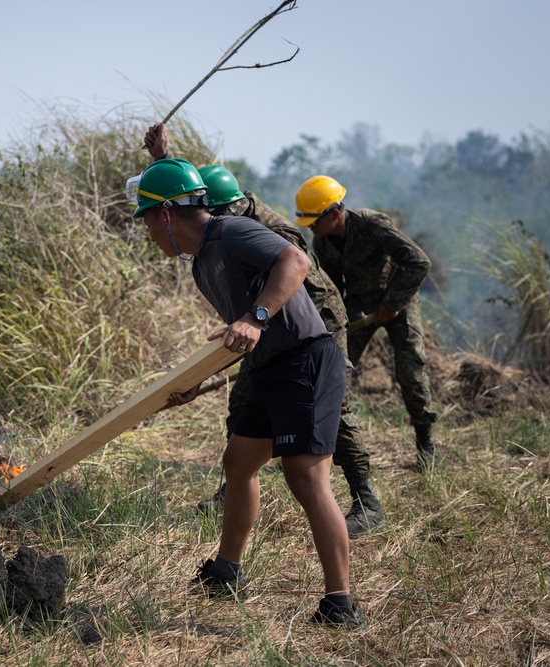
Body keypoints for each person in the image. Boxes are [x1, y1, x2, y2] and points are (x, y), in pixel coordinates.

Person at [129, 157, 366, 627]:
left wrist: (256, 317)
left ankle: (341, 603)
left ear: (166, 214)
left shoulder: (231, 231)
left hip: (306, 359)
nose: (149, 233)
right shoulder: (201, 264)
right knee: (238, 463)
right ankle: (227, 571)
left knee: (305, 476)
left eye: (147, 221)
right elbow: (241, 333)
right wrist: (198, 379)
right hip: (267, 367)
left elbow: (295, 261)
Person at [143, 123, 383, 538]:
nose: (205, 219)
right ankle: (235, 486)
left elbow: (295, 275)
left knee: (329, 412)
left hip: (313, 324)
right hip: (268, 333)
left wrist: (258, 320)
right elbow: (178, 203)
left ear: (226, 209)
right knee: (244, 407)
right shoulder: (215, 229)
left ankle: (365, 497)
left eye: (211, 212)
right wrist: (161, 160)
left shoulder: (257, 229)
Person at [294, 175, 438, 468]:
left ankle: (426, 443)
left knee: (411, 372)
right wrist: (336, 319)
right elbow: (333, 287)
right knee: (335, 368)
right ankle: (328, 442)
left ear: (334, 214)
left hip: (398, 301)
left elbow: (419, 263)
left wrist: (392, 303)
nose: (311, 229)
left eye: (314, 222)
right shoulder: (322, 242)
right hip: (359, 308)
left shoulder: (372, 224)